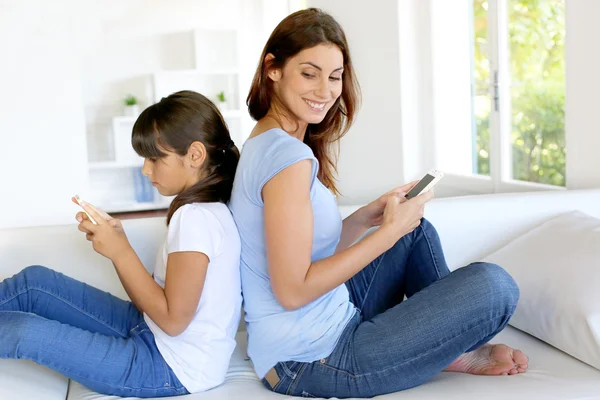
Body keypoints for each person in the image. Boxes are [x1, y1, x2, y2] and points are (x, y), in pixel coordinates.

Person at [228, 8, 528, 398]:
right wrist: (386, 233)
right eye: (308, 73)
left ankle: (442, 347)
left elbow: (301, 251)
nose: (324, 91)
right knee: (496, 286)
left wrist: (365, 219)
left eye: (334, 76)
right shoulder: (288, 160)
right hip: (311, 360)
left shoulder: (267, 141)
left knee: (414, 232)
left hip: (315, 330)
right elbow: (292, 291)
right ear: (273, 68)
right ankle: (445, 347)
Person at [0, 91, 242, 397]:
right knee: (34, 283)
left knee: (26, 332)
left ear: (195, 155)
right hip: (153, 334)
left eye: (155, 158)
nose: (146, 169)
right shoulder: (208, 210)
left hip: (168, 367)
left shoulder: (196, 218)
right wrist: (119, 244)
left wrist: (120, 252)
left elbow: (173, 321)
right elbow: (159, 307)